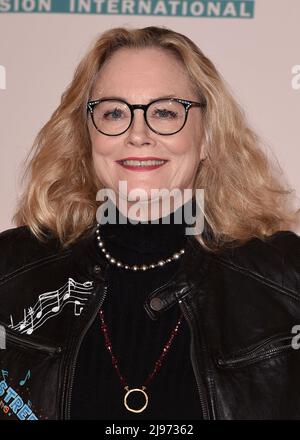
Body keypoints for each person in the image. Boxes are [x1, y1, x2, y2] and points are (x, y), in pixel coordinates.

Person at [0, 25, 299, 421]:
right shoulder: (10, 271)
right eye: (113, 112)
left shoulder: (285, 281)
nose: (137, 133)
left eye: (164, 112)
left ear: (207, 135)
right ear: (87, 134)